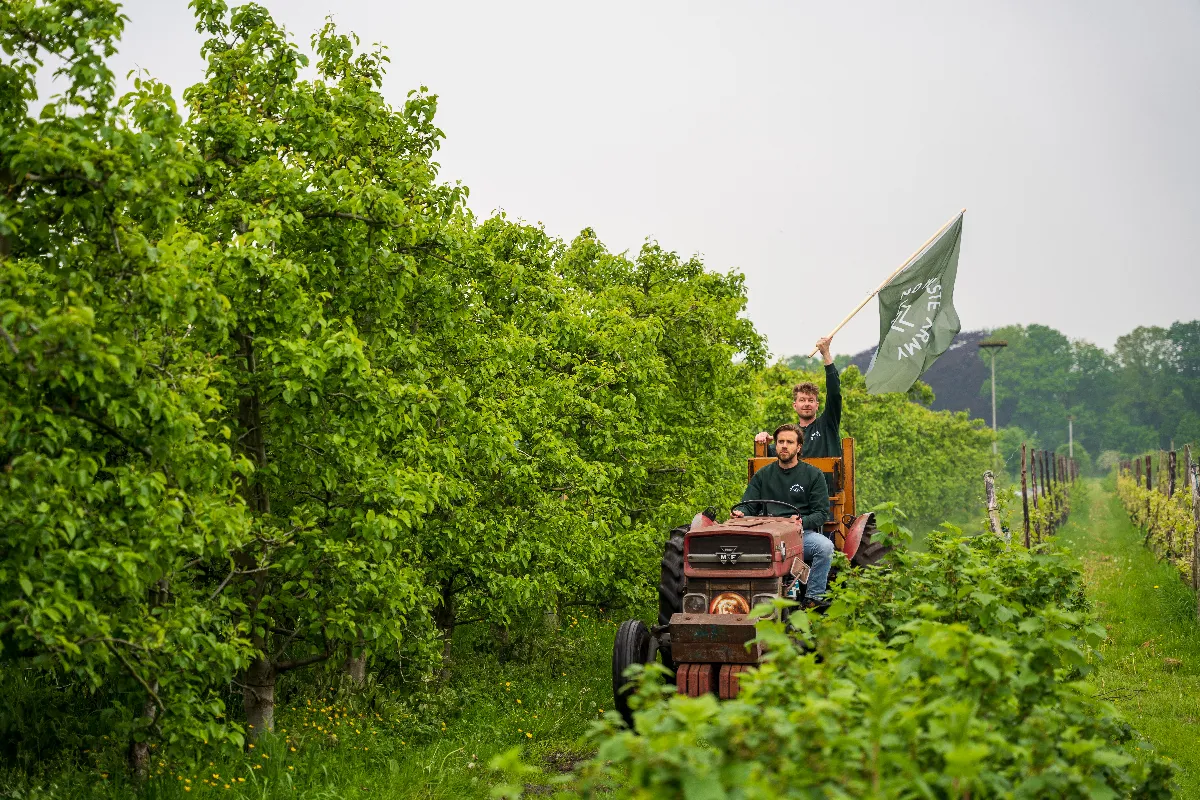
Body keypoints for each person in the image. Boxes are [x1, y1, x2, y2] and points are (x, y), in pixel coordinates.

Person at [734, 424, 832, 604]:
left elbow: (821, 513)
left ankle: (813, 597)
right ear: (776, 446)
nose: (784, 446)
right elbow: (749, 505)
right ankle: (741, 597)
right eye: (780, 442)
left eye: (789, 442)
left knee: (824, 547)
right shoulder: (763, 474)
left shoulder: (813, 475)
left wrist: (801, 521)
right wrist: (741, 513)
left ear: (799, 447)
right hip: (765, 533)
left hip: (800, 534)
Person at [755, 335, 842, 459]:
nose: (806, 403)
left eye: (811, 400)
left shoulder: (827, 424)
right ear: (795, 405)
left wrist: (826, 353)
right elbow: (769, 458)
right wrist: (763, 441)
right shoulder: (789, 435)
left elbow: (834, 393)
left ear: (817, 405)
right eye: (802, 400)